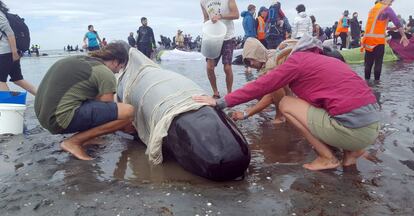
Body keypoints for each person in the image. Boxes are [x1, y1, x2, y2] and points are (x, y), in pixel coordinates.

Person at [193, 34, 381, 171]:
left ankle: (327, 157)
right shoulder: (325, 61)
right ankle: (351, 153)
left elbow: (260, 86)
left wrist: (220, 103)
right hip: (371, 126)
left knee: (286, 104)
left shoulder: (296, 62)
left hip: (352, 129)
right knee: (328, 106)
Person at [34, 42, 135, 161]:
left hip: (43, 116)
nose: (118, 72)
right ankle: (73, 142)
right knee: (128, 112)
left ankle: (88, 139)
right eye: (120, 67)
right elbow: (108, 112)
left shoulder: (80, 60)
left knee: (92, 102)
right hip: (59, 120)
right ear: (115, 61)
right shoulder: (105, 72)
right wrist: (126, 126)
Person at [234, 38, 298, 124]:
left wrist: (247, 113)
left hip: (301, 89)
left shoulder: (270, 66)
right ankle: (269, 106)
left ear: (258, 54)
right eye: (248, 61)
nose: (251, 64)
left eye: (252, 59)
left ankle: (280, 116)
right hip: (293, 82)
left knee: (273, 85)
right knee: (255, 85)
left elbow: (271, 92)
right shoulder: (267, 53)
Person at [361, 0, 410, 81]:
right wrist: (403, 35)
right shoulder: (386, 9)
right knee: (378, 63)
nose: (390, 4)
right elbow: (397, 22)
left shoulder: (372, 9)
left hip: (368, 40)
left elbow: (376, 24)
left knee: (368, 64)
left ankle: (367, 84)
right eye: (390, 1)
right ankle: (377, 87)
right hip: (378, 41)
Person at [201, 0, 239, 98]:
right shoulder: (203, 2)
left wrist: (220, 16)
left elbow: (236, 14)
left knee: (227, 67)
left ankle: (229, 94)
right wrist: (207, 28)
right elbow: (206, 18)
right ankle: (215, 92)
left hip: (228, 37)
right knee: (210, 67)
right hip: (213, 37)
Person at [0, 1, 37, 95]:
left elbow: (10, 33)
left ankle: (6, 107)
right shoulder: (3, 14)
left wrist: (14, 53)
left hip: (6, 52)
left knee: (0, 81)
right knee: (18, 79)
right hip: (10, 52)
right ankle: (46, 99)